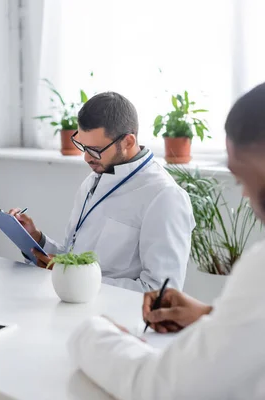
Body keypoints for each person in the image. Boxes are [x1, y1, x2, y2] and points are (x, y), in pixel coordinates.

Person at [68, 78, 265, 399]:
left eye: (243, 182)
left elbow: (162, 387)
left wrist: (89, 332)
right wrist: (213, 318)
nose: (247, 197)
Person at [10, 92, 194, 291]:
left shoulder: (164, 197)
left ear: (128, 142)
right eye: (82, 146)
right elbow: (75, 260)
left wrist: (72, 275)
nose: (86, 158)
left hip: (119, 318)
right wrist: (37, 239)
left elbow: (162, 293)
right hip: (74, 305)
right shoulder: (94, 179)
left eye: (95, 149)